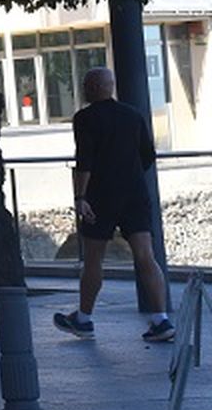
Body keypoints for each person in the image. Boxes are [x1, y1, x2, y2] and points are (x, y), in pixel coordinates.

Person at [54, 67, 175, 343]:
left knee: (94, 259)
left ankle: (83, 319)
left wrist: (81, 197)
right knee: (145, 255)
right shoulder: (133, 115)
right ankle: (161, 319)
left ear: (93, 88)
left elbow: (84, 160)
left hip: (101, 196)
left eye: (86, 84)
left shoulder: (85, 118)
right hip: (135, 193)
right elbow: (148, 155)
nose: (83, 88)